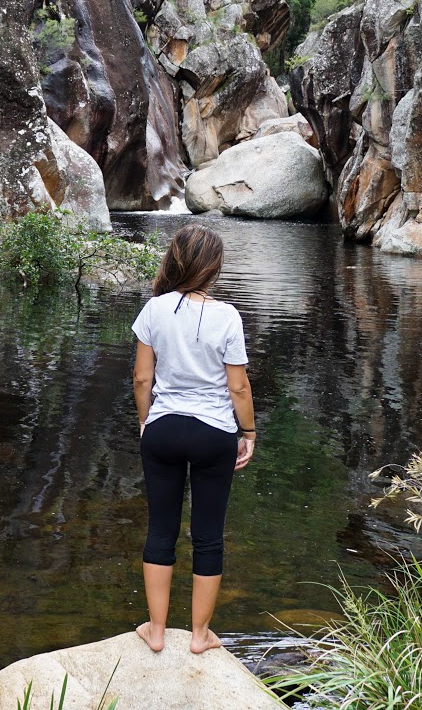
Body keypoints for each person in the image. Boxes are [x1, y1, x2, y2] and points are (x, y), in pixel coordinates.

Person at [131, 224, 255, 654]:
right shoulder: (229, 316)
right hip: (214, 433)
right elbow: (238, 388)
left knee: (160, 531)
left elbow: (142, 377)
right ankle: (200, 636)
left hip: (163, 429)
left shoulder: (154, 310)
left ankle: (157, 630)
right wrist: (249, 433)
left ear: (175, 258)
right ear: (214, 268)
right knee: (207, 535)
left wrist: (147, 422)